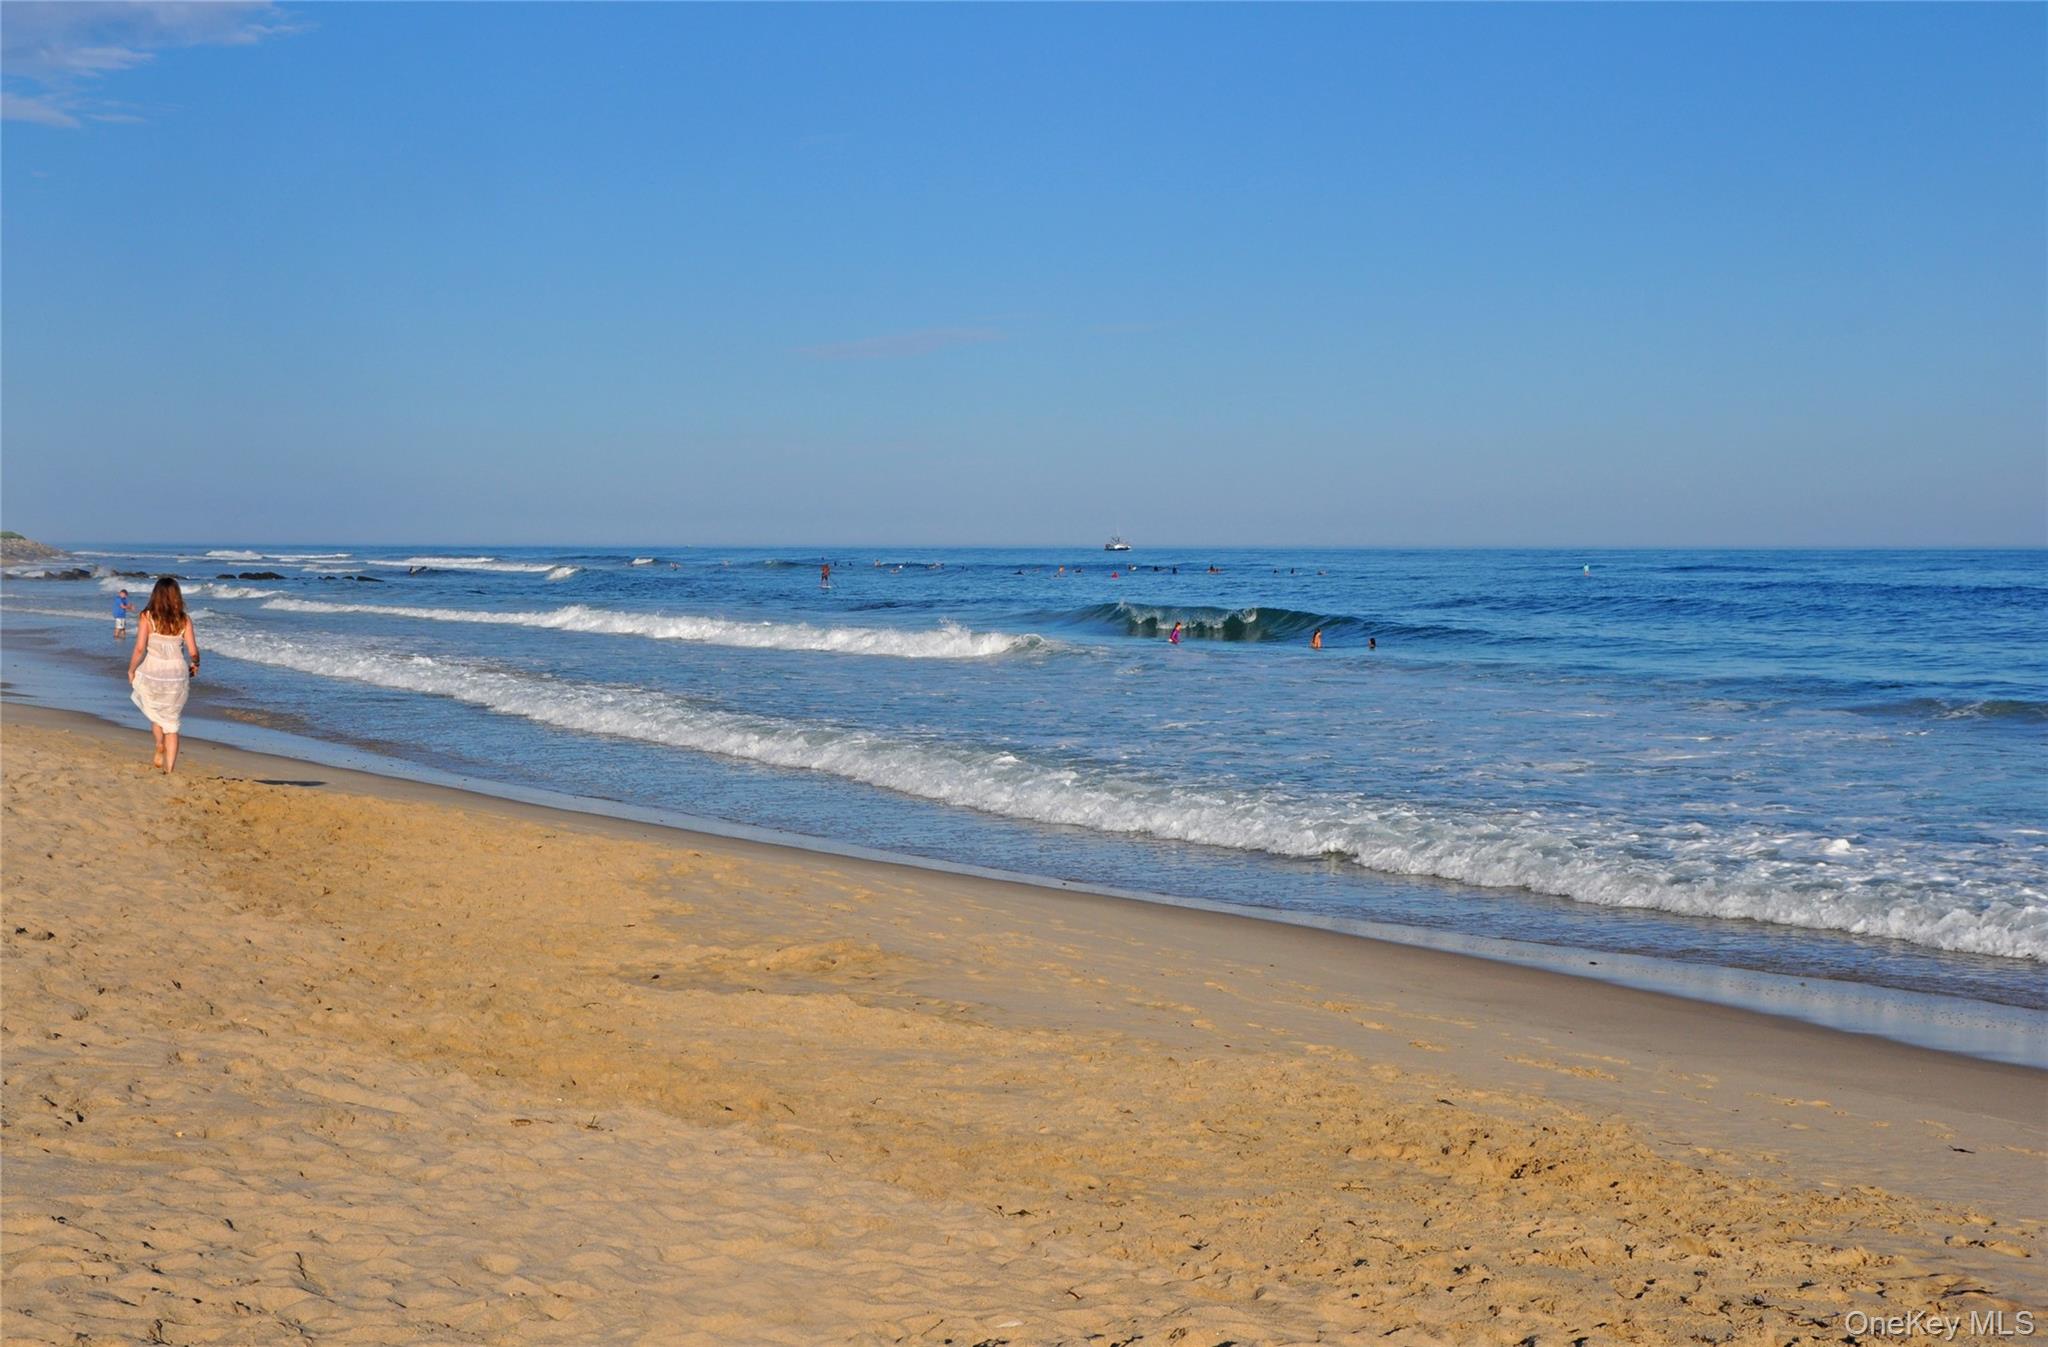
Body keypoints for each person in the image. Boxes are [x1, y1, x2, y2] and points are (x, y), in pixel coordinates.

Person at [126, 576, 199, 775]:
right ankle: (170, 770)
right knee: (172, 723)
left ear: (155, 595)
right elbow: (193, 650)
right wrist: (195, 664)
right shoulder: (184, 619)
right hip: (177, 673)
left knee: (156, 714)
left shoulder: (147, 616)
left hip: (153, 671)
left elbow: (140, 648)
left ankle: (159, 743)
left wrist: (132, 669)